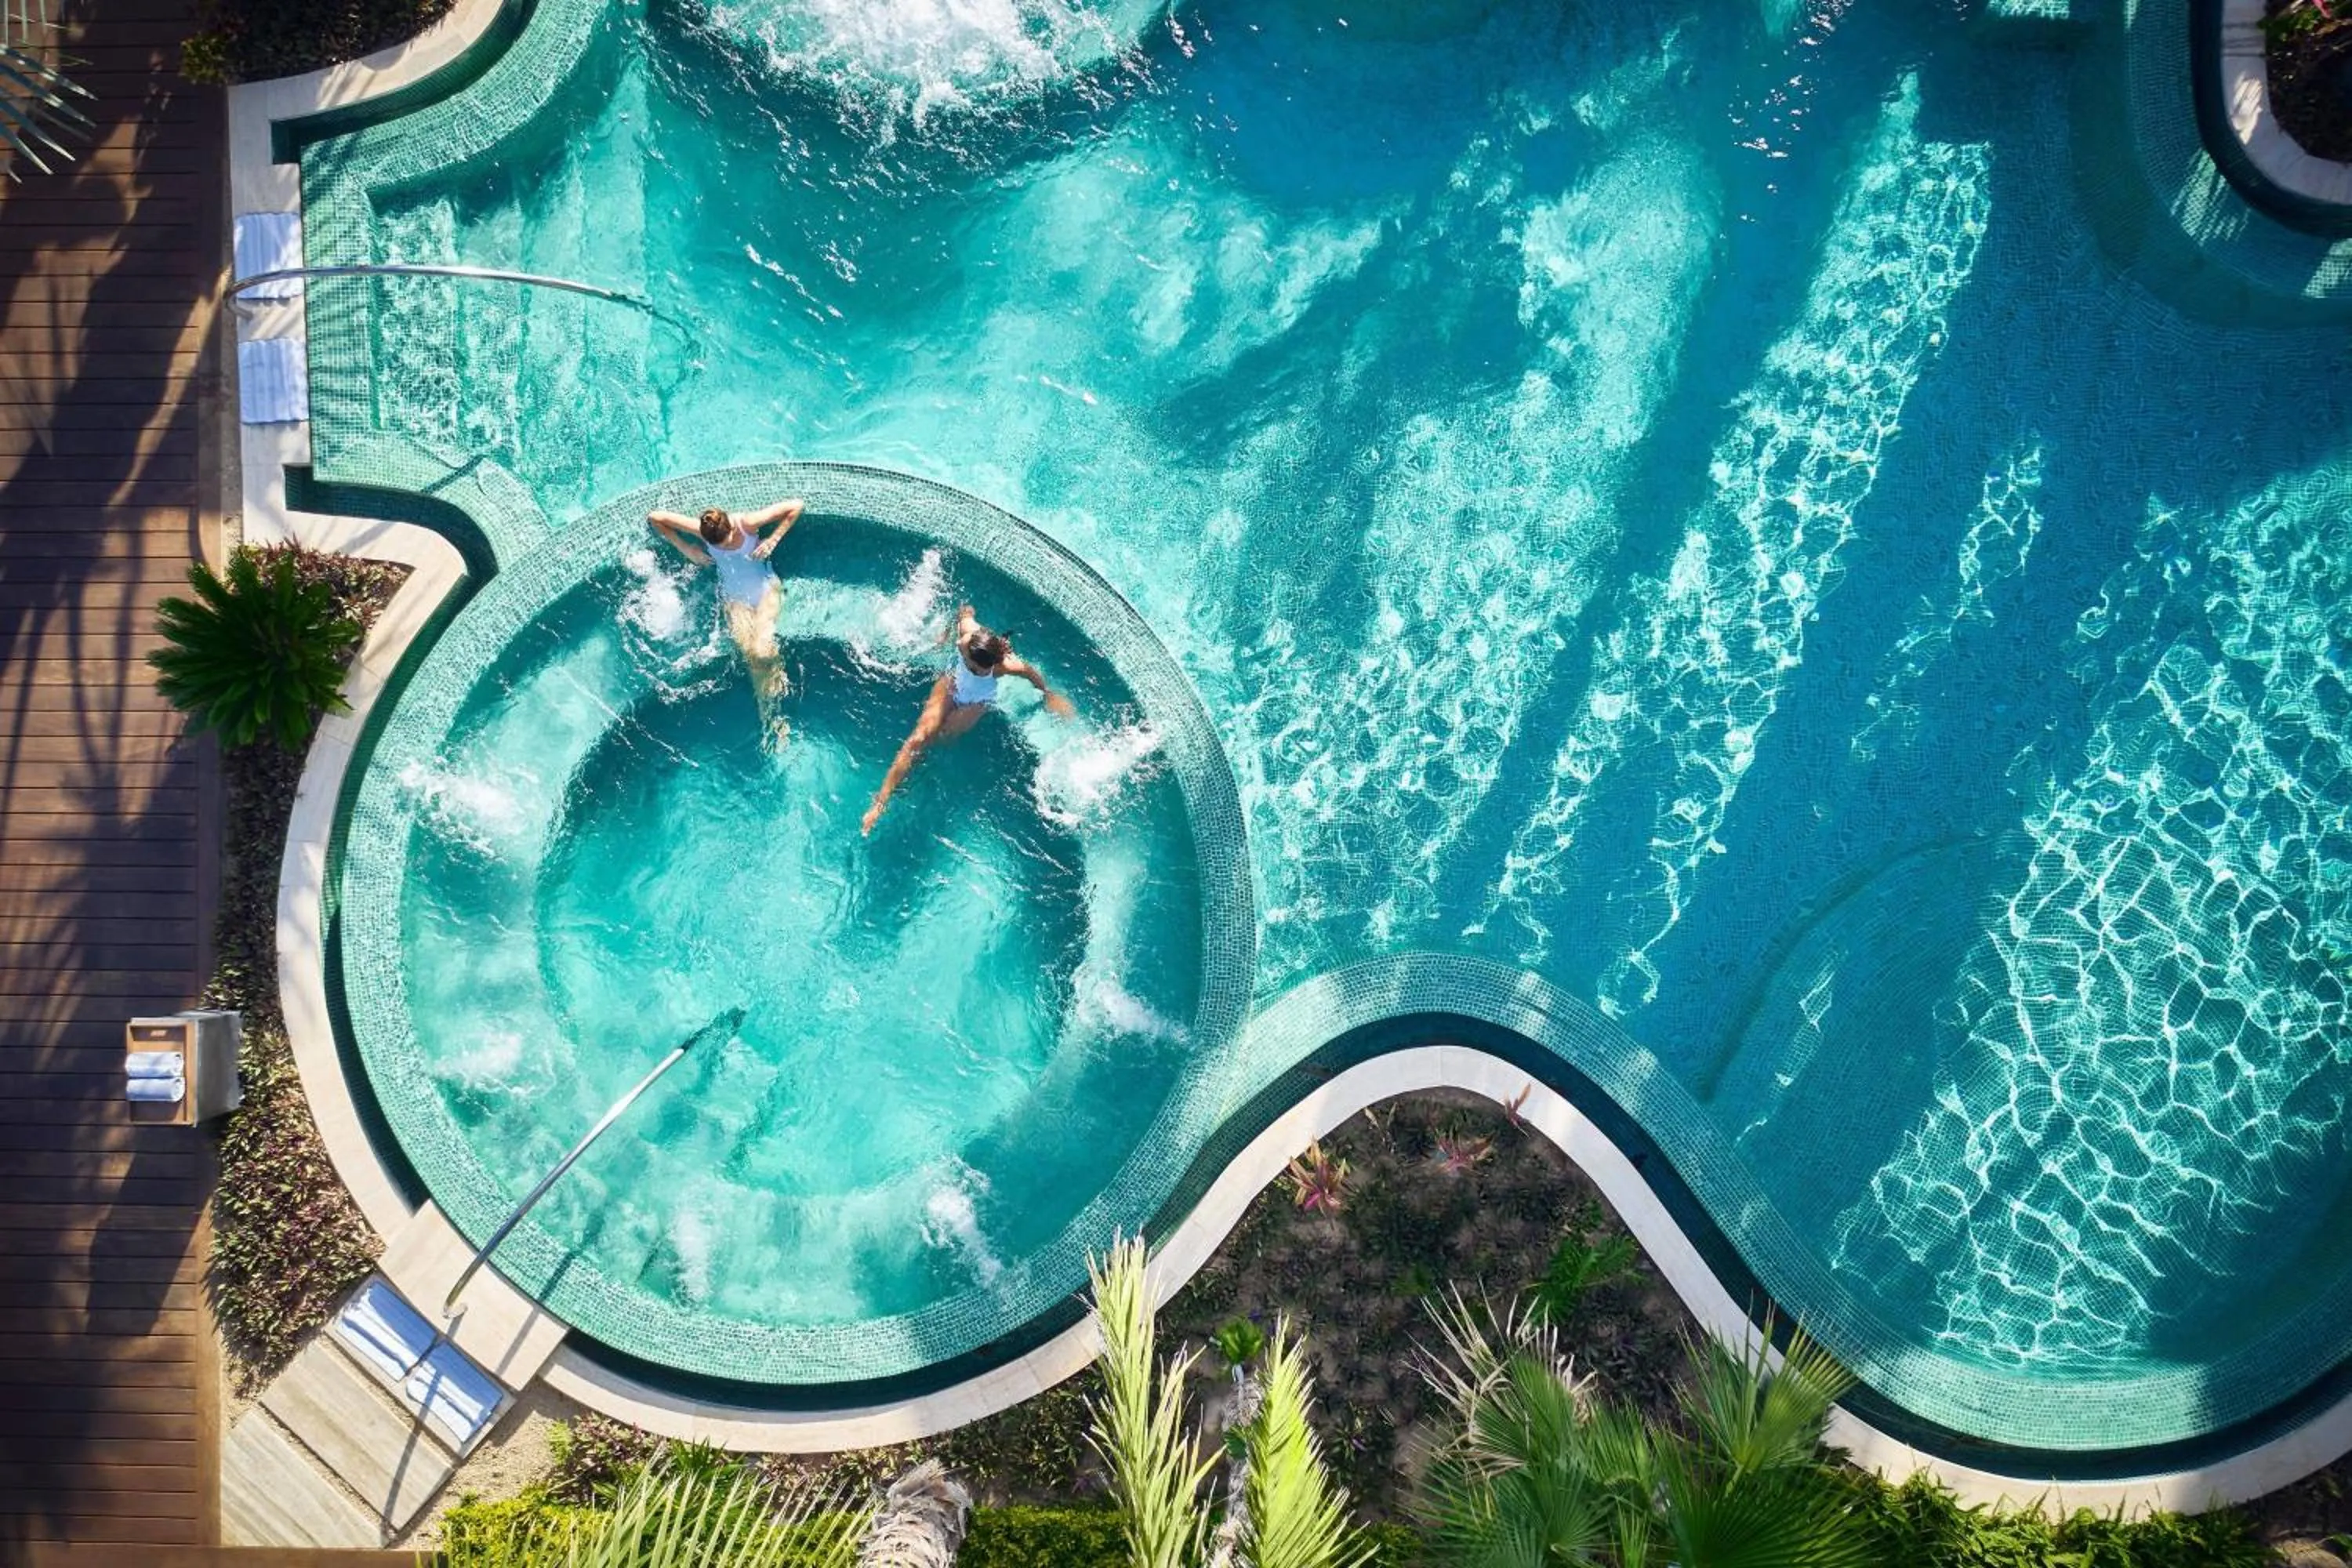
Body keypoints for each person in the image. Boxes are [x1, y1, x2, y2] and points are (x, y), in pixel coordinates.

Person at [862, 604, 1074, 834]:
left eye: (976, 670)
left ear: (992, 665)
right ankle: (881, 802)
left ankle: (918, 765)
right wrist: (944, 636)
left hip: (977, 701)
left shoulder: (1005, 666)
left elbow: (1031, 673)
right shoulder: (967, 639)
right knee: (918, 738)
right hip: (953, 684)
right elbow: (965, 610)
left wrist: (1049, 695)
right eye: (968, 664)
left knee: (944, 735)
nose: (971, 668)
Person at [647, 498, 804, 745]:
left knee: (761, 651)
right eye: (718, 545)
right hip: (735, 602)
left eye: (728, 541)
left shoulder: (747, 524)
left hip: (766, 593)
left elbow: (796, 506)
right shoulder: (703, 531)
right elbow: (657, 517)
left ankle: (777, 683)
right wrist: (684, 547)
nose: (726, 547)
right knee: (751, 658)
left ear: (731, 527)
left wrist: (774, 539)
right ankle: (771, 718)